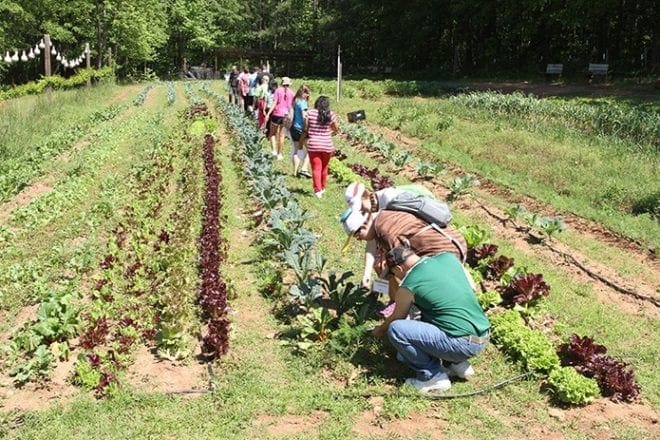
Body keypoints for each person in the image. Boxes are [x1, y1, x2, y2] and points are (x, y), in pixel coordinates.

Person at [372, 246, 490, 393]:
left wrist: (379, 330)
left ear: (398, 268)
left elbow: (398, 317)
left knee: (397, 330)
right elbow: (472, 288)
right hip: (483, 335)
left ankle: (432, 376)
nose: (396, 277)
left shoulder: (409, 284)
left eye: (393, 274)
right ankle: (456, 364)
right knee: (435, 310)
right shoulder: (447, 258)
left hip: (461, 343)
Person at [339, 205, 467, 307]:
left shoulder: (386, 232)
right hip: (452, 240)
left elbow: (399, 264)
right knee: (389, 268)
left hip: (444, 248)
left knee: (416, 277)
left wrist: (378, 286)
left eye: (356, 236)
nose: (358, 240)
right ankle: (399, 304)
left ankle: (409, 309)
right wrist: (373, 280)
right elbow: (383, 257)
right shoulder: (379, 218)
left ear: (364, 225)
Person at [304, 96, 338, 198]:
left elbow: (305, 127)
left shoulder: (310, 113)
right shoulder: (331, 114)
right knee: (324, 167)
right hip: (327, 144)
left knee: (316, 168)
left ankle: (317, 190)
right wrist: (329, 131)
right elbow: (336, 128)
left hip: (313, 144)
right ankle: (323, 187)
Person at [344, 182, 434, 215]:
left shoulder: (389, 199)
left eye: (361, 206)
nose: (362, 210)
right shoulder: (378, 200)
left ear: (367, 195)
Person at [266, 77, 295, 159]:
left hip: (277, 114)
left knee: (272, 133)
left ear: (281, 83)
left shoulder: (278, 91)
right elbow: (292, 106)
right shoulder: (292, 93)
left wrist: (268, 114)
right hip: (286, 115)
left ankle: (274, 151)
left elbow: (274, 103)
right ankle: (280, 154)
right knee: (282, 135)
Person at [291, 84, 312, 178]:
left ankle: (295, 172)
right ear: (305, 93)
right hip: (301, 129)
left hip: (294, 128)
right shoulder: (303, 103)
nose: (308, 96)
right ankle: (304, 168)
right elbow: (304, 116)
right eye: (307, 93)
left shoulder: (295, 101)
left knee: (296, 150)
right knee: (310, 149)